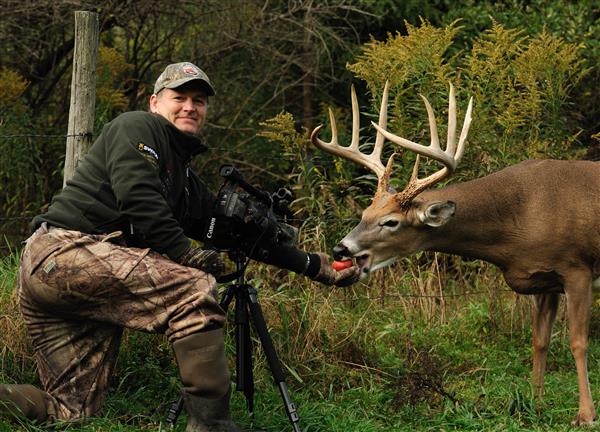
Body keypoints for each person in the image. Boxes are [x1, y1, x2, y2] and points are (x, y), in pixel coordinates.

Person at [1, 62, 359, 431]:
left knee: (69, 411)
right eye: (180, 97)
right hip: (64, 253)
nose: (190, 106)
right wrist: (185, 253)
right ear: (156, 103)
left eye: (199, 100)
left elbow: (235, 234)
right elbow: (137, 196)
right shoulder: (138, 126)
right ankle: (212, 426)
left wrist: (314, 265)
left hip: (62, 277)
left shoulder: (185, 181)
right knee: (193, 287)